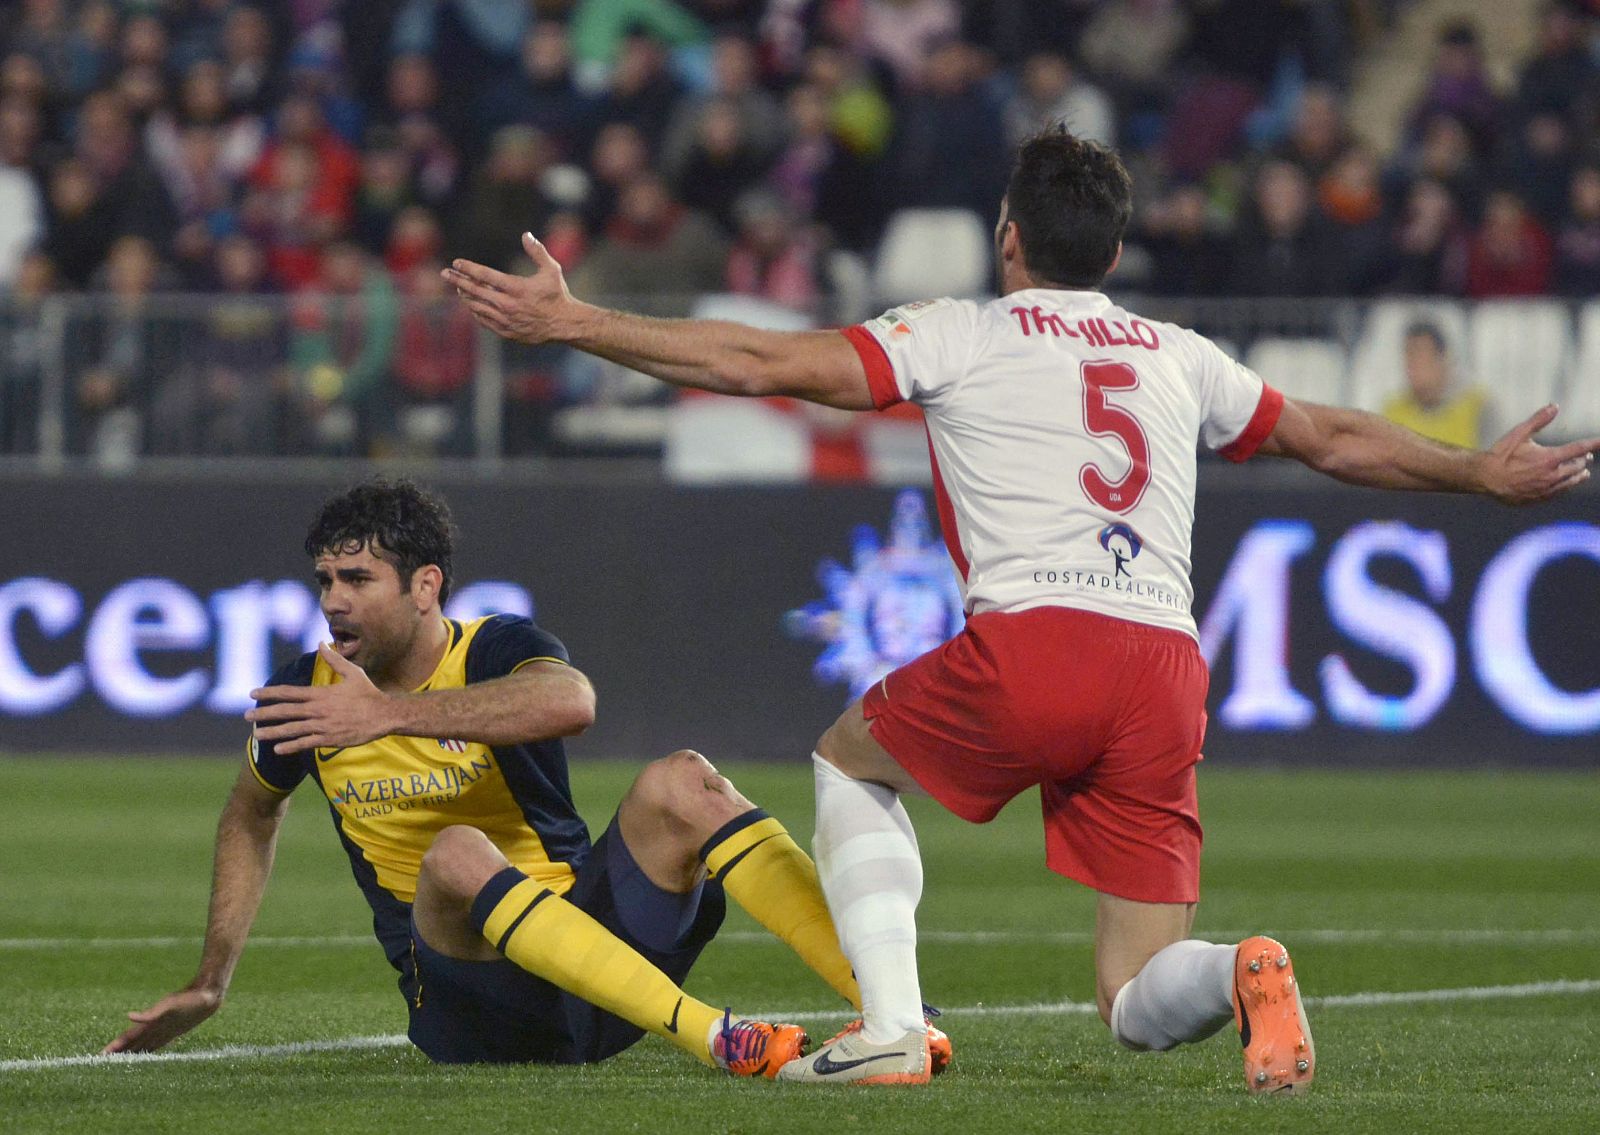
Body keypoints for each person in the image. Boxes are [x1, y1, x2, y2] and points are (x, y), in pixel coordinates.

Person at [442, 127, 1600, 1090]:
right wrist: (1477, 473)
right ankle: (1243, 960)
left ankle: (891, 1025)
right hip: (1163, 667)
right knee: (1136, 996)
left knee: (850, 762)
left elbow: (760, 362)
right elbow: (1332, 436)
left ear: (1008, 236)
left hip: (1038, 641)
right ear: (1113, 245)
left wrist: (580, 322)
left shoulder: (961, 330)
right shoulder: (1177, 355)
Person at [103, 478, 902, 1078]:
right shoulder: (306, 689)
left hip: (596, 959)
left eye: (357, 579)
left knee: (683, 779)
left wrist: (389, 717)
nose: (334, 601)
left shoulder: (493, 647)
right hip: (468, 1003)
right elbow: (250, 812)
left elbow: (572, 699)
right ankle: (721, 1038)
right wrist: (210, 980)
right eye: (325, 580)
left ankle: (892, 1012)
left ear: (425, 587)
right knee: (454, 852)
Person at [1381, 321, 1488, 450]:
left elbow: (1495, 465)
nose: (1412, 364)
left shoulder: (1478, 409)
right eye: (1408, 354)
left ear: (1442, 359)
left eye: (1420, 355)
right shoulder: (1392, 412)